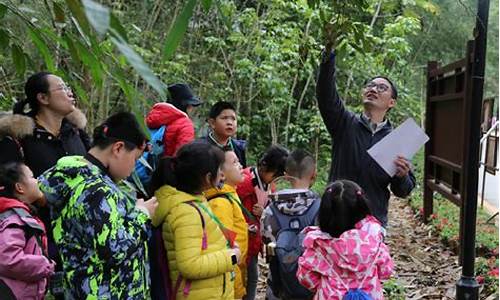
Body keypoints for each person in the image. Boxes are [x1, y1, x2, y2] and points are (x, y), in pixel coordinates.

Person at [38, 112, 157, 299]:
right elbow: (114, 249)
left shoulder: (74, 177)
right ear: (118, 148)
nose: (133, 168)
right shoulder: (96, 190)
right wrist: (142, 213)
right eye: (134, 159)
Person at [316, 50, 415, 226]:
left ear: (391, 102)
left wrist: (402, 175)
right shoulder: (344, 123)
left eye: (382, 88)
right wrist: (328, 57)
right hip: (335, 218)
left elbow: (403, 191)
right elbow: (326, 95)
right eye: (370, 86)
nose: (373, 89)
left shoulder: (397, 140)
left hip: (371, 225)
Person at [150, 142, 240, 300]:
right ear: (207, 178)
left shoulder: (196, 201)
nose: (223, 175)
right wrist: (232, 257)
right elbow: (190, 265)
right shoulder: (185, 212)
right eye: (219, 170)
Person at [297, 180, 394, 300]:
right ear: (362, 207)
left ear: (325, 212)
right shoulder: (374, 243)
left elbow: (305, 277)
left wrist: (323, 285)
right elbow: (386, 271)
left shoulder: (318, 247)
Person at [262, 149, 320, 300]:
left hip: (279, 286)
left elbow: (267, 243)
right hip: (313, 288)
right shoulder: (323, 209)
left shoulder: (270, 210)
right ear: (314, 174)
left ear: (286, 174)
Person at [236, 144, 289, 300]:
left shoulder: (269, 183)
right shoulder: (244, 183)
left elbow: (269, 206)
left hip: (254, 240)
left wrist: (264, 212)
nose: (276, 179)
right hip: (242, 239)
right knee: (244, 278)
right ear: (264, 165)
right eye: (275, 174)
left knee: (252, 276)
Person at [0, 162, 55, 300]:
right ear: (19, 187)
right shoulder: (14, 219)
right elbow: (8, 259)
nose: (37, 181)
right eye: (32, 177)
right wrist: (45, 265)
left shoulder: (21, 214)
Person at [205, 149, 249, 299]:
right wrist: (237, 290)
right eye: (235, 162)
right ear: (221, 173)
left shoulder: (231, 194)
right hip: (230, 282)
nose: (240, 165)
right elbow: (227, 249)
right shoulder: (220, 203)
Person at [145, 83, 202, 157]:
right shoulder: (185, 124)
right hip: (166, 167)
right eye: (190, 105)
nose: (191, 108)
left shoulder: (150, 117)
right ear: (184, 104)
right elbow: (183, 156)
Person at [201, 101, 247, 167]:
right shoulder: (200, 148)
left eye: (233, 119)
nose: (230, 123)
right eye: (224, 118)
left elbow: (242, 174)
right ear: (212, 123)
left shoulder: (238, 148)